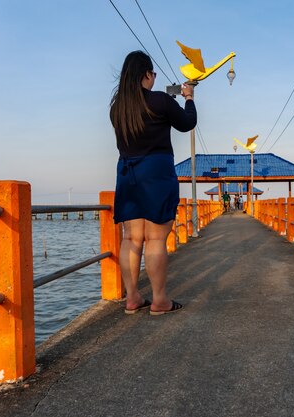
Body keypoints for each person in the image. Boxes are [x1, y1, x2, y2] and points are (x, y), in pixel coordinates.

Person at [110, 51, 196, 315]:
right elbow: (188, 122)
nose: (155, 78)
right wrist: (189, 97)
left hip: (127, 173)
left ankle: (133, 298)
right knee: (156, 238)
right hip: (156, 171)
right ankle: (160, 301)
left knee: (132, 237)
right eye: (153, 74)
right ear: (145, 74)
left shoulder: (117, 109)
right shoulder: (160, 101)